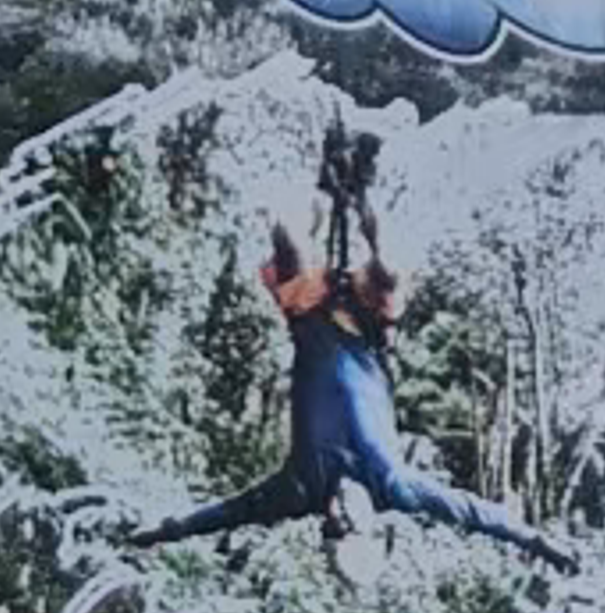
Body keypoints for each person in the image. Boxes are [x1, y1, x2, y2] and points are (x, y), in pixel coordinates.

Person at [135, 220, 562, 566]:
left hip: (308, 312)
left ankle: (302, 181)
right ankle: (364, 195)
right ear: (369, 522)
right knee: (388, 270)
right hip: (366, 327)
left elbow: (227, 512)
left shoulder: (300, 489)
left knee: (287, 234)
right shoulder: (397, 488)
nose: (338, 514)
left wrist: (164, 531)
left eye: (332, 526)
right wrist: (538, 541)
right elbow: (472, 512)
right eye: (349, 523)